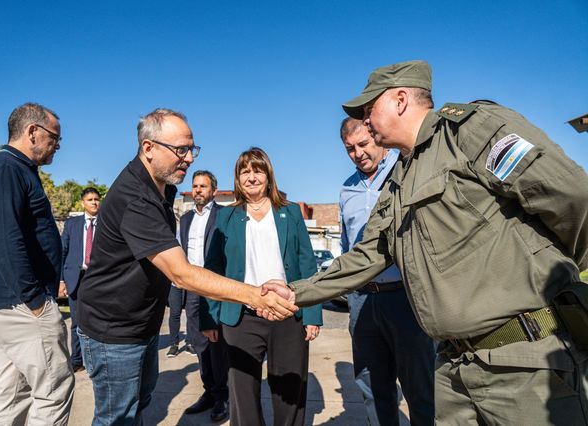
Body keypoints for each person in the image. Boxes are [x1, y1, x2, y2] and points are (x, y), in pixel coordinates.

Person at [262, 60, 588, 425]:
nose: (366, 121)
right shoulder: (400, 177)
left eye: (370, 110)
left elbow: (572, 197)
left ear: (400, 100)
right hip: (454, 368)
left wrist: (567, 273)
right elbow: (368, 254)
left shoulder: (469, 130)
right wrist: (296, 293)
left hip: (521, 362)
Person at [75, 109, 297, 425]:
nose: (190, 158)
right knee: (116, 418)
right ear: (149, 148)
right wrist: (256, 295)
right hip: (113, 331)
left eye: (192, 149)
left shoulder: (161, 188)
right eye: (181, 150)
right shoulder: (136, 197)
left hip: (141, 326)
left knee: (138, 406)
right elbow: (181, 272)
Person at [201, 147, 323, 426]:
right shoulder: (226, 216)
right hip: (241, 318)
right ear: (237, 178)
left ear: (269, 176)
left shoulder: (290, 212)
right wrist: (209, 316)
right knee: (242, 393)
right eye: (245, 171)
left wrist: (312, 315)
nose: (252, 177)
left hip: (287, 314)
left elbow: (307, 264)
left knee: (289, 392)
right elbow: (213, 269)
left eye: (258, 170)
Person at [0, 103, 74, 425]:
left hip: (12, 303)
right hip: (21, 305)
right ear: (32, 131)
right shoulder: (6, 169)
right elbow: (4, 242)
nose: (58, 145)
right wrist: (35, 302)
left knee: (13, 391)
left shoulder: (16, 169)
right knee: (54, 390)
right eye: (55, 137)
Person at [339, 117, 435, 425]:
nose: (358, 153)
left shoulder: (406, 171)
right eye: (350, 148)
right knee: (372, 387)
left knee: (421, 388)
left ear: (377, 137)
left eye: (363, 144)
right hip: (363, 301)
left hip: (405, 298)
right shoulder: (347, 190)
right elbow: (347, 247)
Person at [178, 170, 229, 422]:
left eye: (203, 186)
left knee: (217, 344)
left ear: (213, 191)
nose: (198, 190)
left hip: (215, 287)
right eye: (195, 186)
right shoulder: (185, 219)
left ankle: (222, 396)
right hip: (192, 289)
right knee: (199, 344)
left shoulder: (224, 215)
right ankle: (209, 391)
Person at [59, 186, 102, 372]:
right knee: (76, 322)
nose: (94, 202)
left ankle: (98, 359)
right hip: (75, 278)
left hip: (98, 279)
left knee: (98, 320)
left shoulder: (107, 223)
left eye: (96, 199)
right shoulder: (72, 224)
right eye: (90, 199)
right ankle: (77, 360)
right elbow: (62, 252)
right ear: (83, 203)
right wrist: (61, 280)